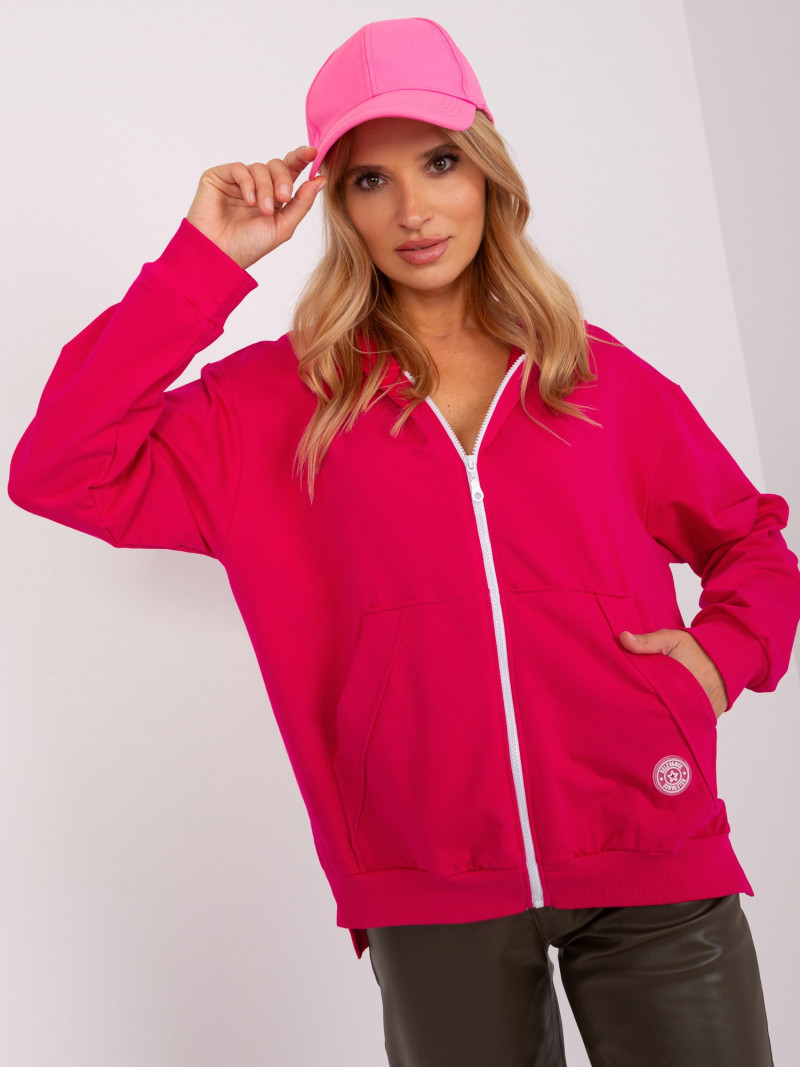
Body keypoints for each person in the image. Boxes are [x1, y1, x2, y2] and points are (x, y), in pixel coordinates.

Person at [7, 16, 800, 1067]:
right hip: (426, 875)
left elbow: (751, 540)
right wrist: (204, 263)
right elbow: (59, 466)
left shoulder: (594, 378)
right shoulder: (275, 404)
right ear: (337, 205)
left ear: (487, 174)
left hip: (651, 847)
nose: (413, 210)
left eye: (438, 163)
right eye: (370, 180)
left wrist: (720, 657)